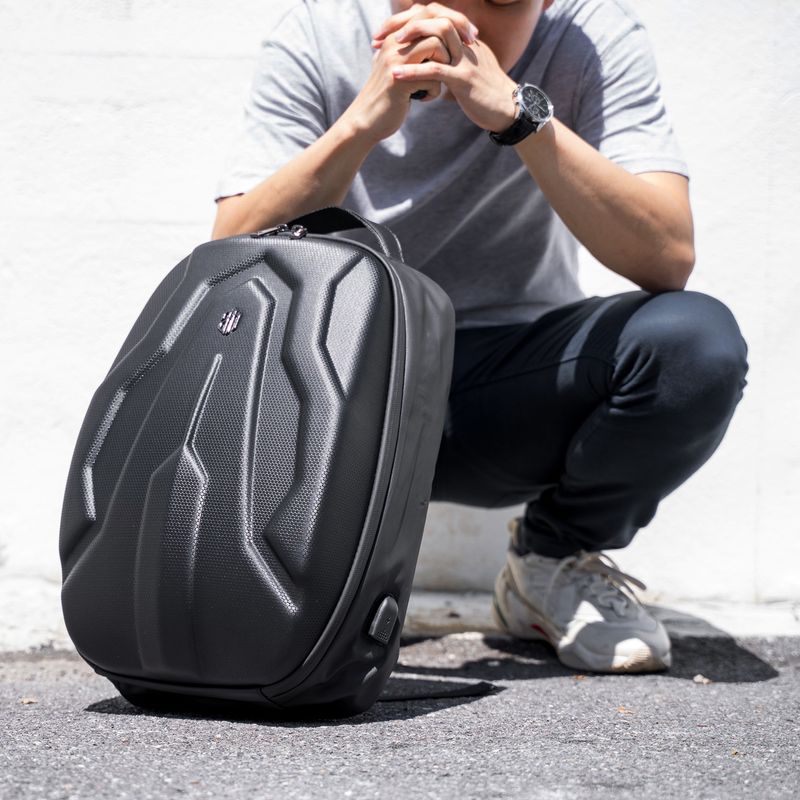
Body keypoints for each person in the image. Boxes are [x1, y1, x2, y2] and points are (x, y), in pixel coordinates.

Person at [211, 0, 749, 674]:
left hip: (502, 394)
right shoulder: (321, 33)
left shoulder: (590, 37)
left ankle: (551, 561)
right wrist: (360, 124)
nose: (454, 22)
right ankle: (281, 569)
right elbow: (229, 259)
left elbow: (667, 255)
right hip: (337, 387)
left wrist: (520, 116)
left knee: (692, 344)